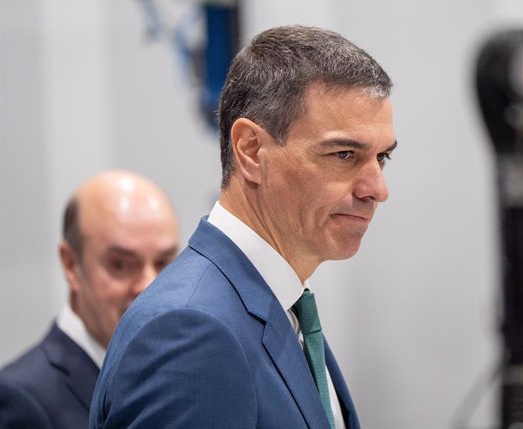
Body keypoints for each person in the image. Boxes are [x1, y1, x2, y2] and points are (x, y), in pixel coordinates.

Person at [90, 25, 397, 429]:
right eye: (344, 154)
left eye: (382, 159)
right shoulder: (192, 332)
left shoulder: (277, 309)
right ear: (251, 150)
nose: (377, 189)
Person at [0, 170, 180, 429]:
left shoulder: (183, 377)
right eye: (120, 264)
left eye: (163, 263)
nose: (149, 286)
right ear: (71, 265)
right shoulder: (20, 400)